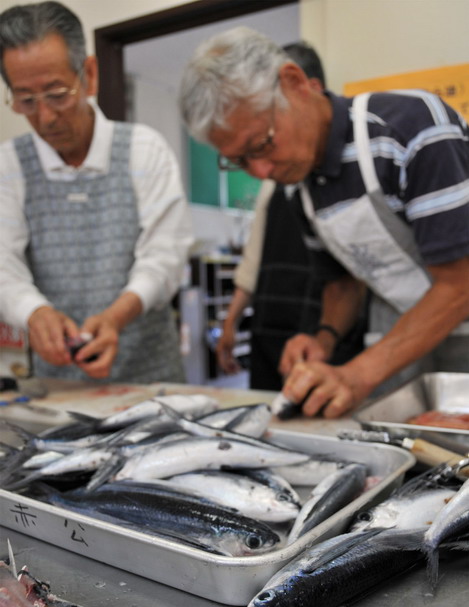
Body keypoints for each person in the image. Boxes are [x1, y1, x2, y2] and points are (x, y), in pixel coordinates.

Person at [179, 26, 469, 417]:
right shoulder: (298, 185)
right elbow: (343, 279)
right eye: (240, 161)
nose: (261, 170)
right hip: (401, 342)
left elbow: (459, 284)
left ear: (295, 82)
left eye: (262, 145)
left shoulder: (409, 131)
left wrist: (358, 373)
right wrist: (323, 339)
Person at [0, 1, 193, 384]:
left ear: (88, 74)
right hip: (59, 387)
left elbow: (164, 257)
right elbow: (3, 265)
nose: (45, 117)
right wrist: (35, 313)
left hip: (150, 379)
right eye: (26, 100)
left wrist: (115, 316)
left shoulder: (144, 150)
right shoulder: (9, 166)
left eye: (57, 94)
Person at [216, 41, 367, 391]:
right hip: (271, 322)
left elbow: (353, 274)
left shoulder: (350, 170)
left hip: (324, 321)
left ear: (307, 89)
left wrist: (328, 335)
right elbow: (253, 259)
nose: (261, 165)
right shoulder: (272, 173)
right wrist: (231, 320)